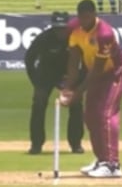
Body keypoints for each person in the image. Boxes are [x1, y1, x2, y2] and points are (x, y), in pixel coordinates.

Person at [61, 0, 122, 178]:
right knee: (91, 116)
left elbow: (98, 70)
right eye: (81, 18)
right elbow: (73, 61)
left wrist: (76, 95)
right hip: (95, 74)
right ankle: (102, 160)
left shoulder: (104, 34)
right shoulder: (74, 29)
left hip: (116, 73)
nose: (84, 21)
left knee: (106, 113)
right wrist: (68, 87)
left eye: (87, 17)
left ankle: (113, 165)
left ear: (94, 15)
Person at [24, 11, 84, 155]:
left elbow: (85, 61)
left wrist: (77, 82)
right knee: (39, 102)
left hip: (67, 74)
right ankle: (36, 144)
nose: (60, 32)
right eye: (57, 28)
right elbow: (29, 59)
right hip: (45, 74)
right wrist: (36, 82)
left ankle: (76, 144)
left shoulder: (75, 37)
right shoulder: (44, 38)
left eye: (63, 28)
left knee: (76, 103)